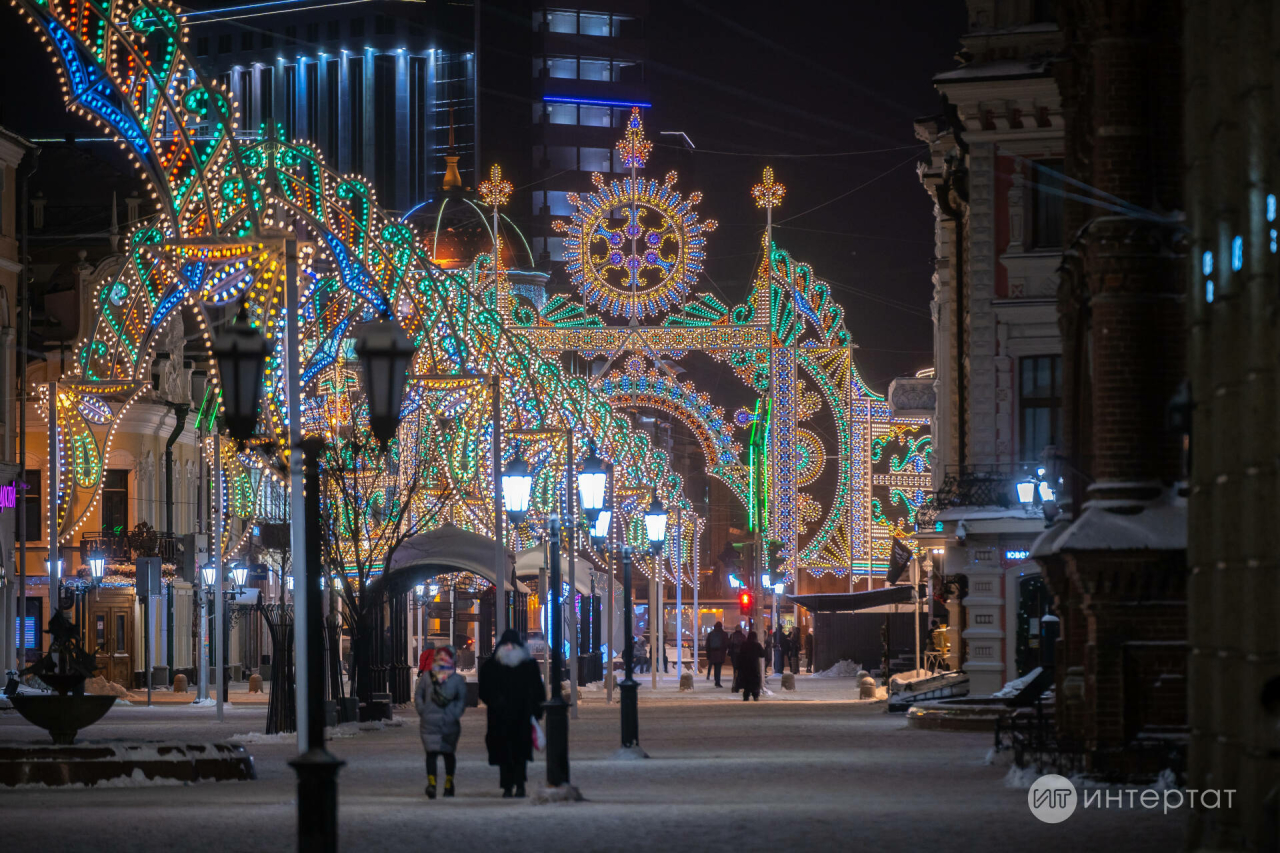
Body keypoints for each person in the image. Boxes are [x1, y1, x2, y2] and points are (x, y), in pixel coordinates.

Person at [478, 629, 546, 798]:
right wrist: (495, 701)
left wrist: (536, 710)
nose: (509, 647)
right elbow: (484, 690)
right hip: (501, 716)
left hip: (520, 716)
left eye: (511, 644)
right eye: (506, 644)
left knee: (519, 753)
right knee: (505, 753)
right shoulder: (494, 666)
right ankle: (508, 785)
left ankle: (519, 784)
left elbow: (538, 690)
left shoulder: (526, 665)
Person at [414, 645, 466, 799]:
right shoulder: (456, 679)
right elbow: (461, 700)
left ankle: (432, 783)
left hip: (429, 721)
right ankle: (448, 784)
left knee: (431, 754)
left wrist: (423, 711)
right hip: (449, 722)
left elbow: (418, 696)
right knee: (448, 754)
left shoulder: (427, 676)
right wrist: (455, 714)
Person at [736, 631, 765, 701]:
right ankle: (755, 695)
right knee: (755, 681)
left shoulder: (744, 645)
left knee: (746, 681)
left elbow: (740, 655)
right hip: (754, 666)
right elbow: (762, 654)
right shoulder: (757, 645)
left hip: (745, 666)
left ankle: (746, 695)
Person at [704, 621, 729, 687]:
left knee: (715, 667)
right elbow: (726, 644)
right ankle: (717, 682)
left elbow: (707, 645)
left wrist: (708, 654)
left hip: (712, 653)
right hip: (720, 653)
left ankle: (715, 680)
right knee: (718, 668)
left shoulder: (711, 634)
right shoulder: (724, 634)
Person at [728, 625, 746, 692]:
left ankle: (735, 682)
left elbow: (729, 644)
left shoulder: (732, 636)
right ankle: (740, 683)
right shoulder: (743, 636)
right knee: (741, 669)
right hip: (741, 654)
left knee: (735, 668)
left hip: (734, 654)